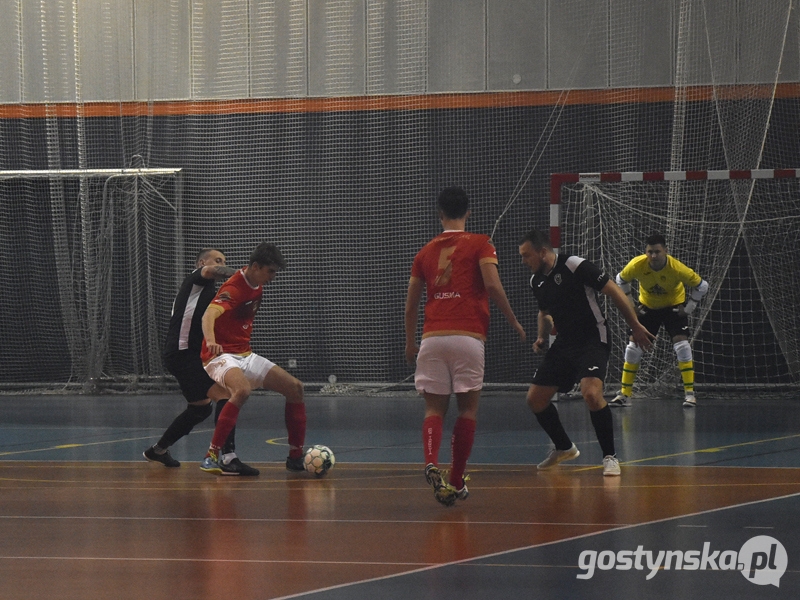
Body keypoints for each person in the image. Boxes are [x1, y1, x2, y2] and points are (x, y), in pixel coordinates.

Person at [405, 187, 526, 506]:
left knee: (433, 409)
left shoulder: (424, 252)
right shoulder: (480, 243)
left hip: (432, 338)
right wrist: (513, 320)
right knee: (468, 409)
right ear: (468, 212)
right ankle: (456, 479)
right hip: (468, 336)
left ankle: (431, 461)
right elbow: (492, 285)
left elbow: (411, 304)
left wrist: (409, 340)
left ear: (439, 213)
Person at [519, 229, 654, 477]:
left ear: (542, 251)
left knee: (591, 394)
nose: (524, 261)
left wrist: (635, 326)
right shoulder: (536, 281)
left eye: (527, 256)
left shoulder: (572, 265)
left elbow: (613, 289)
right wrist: (541, 335)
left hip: (593, 338)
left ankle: (610, 457)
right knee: (535, 399)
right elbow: (544, 311)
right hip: (564, 343)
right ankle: (563, 447)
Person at [144, 248, 259, 476]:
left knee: (200, 408)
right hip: (183, 352)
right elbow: (211, 271)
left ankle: (158, 450)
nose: (220, 264)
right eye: (217, 261)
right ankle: (227, 457)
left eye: (223, 261)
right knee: (227, 395)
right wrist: (243, 275)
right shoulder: (196, 280)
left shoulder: (211, 293)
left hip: (188, 354)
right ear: (201, 263)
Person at [199, 241, 307, 475]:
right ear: (256, 266)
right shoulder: (234, 289)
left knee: (295, 388)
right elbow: (209, 314)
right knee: (242, 390)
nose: (273, 277)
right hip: (219, 356)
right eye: (271, 272)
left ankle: (296, 457)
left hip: (243, 354)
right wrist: (211, 341)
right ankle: (212, 454)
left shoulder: (255, 282)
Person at [610, 233, 709, 408]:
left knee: (682, 346)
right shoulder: (637, 265)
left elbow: (702, 286)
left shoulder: (677, 268)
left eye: (657, 252)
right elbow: (621, 280)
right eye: (650, 252)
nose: (653, 256)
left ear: (666, 251)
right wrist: (631, 304)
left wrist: (688, 308)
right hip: (648, 307)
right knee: (633, 348)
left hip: (672, 307)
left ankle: (690, 395)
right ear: (645, 252)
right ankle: (624, 394)